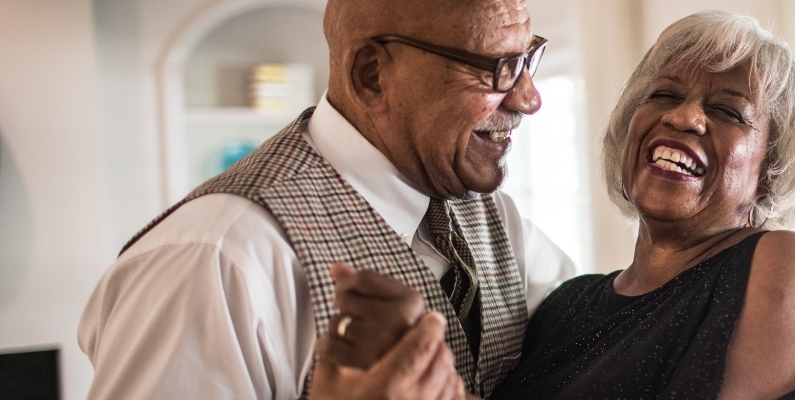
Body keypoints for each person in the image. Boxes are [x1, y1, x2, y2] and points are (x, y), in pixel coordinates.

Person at [76, 0, 575, 398]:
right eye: (499, 67)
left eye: (527, 57)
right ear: (371, 74)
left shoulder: (503, 225)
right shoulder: (215, 259)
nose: (529, 98)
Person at [491, 10, 795, 399]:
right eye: (665, 94)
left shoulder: (785, 264)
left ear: (771, 171)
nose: (683, 117)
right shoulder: (565, 306)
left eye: (728, 111)